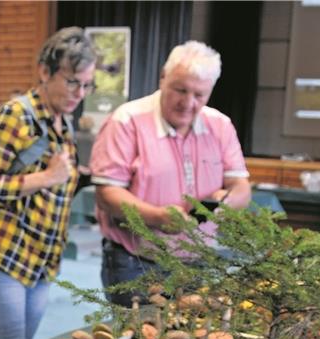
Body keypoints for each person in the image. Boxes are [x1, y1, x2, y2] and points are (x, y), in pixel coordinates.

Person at [0, 27, 96, 339]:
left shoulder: (60, 123)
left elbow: (51, 179)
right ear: (44, 71)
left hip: (41, 259)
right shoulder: (14, 117)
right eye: (71, 82)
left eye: (85, 85)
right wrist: (47, 178)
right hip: (1, 255)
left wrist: (76, 177)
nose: (79, 93)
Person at [90, 41, 250, 306]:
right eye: (180, 90)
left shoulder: (220, 125)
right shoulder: (126, 120)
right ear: (163, 78)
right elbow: (107, 194)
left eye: (199, 95)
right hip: (136, 262)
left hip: (201, 261)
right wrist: (158, 217)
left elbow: (241, 188)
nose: (188, 102)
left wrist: (224, 205)